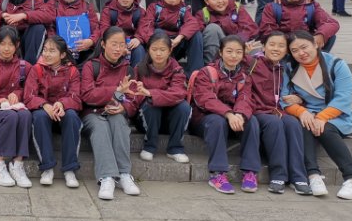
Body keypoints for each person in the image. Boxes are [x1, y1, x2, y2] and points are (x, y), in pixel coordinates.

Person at [282, 30, 352, 200]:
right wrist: (301, 111)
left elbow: (344, 97)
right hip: (308, 113)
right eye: (295, 50)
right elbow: (284, 99)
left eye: (304, 47)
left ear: (315, 44)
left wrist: (321, 117)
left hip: (335, 115)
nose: (301, 53)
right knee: (303, 124)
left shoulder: (336, 64)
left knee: (324, 129)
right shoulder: (290, 68)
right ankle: (313, 176)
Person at [189, 35, 259, 194]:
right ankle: (217, 173)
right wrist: (228, 114)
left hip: (233, 119)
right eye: (229, 51)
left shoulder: (244, 76)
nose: (234, 56)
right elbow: (205, 99)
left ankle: (250, 172)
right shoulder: (207, 72)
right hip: (205, 120)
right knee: (217, 121)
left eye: (238, 52)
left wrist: (240, 114)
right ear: (220, 52)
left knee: (252, 121)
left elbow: (246, 98)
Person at [246, 31, 310, 194]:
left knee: (292, 123)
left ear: (286, 50)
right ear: (263, 46)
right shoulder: (252, 63)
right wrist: (244, 54)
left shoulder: (286, 68)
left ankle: (298, 176)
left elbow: (300, 91)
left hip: (280, 110)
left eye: (281, 46)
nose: (276, 49)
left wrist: (299, 99)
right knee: (274, 123)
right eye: (272, 44)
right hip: (258, 110)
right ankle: (278, 175)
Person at [81, 27, 141, 200]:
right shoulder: (91, 66)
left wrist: (124, 107)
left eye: (121, 45)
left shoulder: (128, 69)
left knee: (119, 123)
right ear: (103, 44)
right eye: (113, 44)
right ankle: (107, 177)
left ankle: (124, 174)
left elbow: (134, 97)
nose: (117, 49)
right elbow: (87, 95)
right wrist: (116, 91)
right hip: (92, 113)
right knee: (100, 127)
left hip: (115, 111)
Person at [24, 35, 83, 188]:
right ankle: (47, 167)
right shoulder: (36, 69)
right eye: (45, 50)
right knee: (39, 116)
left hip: (63, 111)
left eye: (52, 51)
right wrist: (44, 104)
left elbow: (76, 97)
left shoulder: (72, 71)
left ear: (62, 55)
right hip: (44, 111)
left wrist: (62, 104)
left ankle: (70, 169)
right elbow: (29, 96)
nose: (46, 54)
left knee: (72, 116)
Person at [0, 27, 33, 188]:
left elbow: (30, 90)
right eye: (3, 44)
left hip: (14, 111)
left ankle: (17, 163)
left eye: (10, 44)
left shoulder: (24, 67)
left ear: (17, 45)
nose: (6, 48)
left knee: (25, 115)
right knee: (11, 116)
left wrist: (17, 94)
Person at [131, 31, 192, 164]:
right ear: (148, 50)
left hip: (169, 120)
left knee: (183, 107)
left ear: (170, 50)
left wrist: (150, 93)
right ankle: (150, 146)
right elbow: (133, 94)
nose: (158, 53)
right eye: (154, 49)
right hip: (147, 119)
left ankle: (175, 148)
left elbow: (178, 93)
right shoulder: (140, 68)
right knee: (151, 105)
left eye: (163, 50)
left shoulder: (177, 69)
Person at [27, 0, 99, 64]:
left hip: (84, 49)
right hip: (59, 51)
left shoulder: (87, 6)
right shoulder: (52, 4)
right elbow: (50, 28)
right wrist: (59, 45)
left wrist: (91, 41)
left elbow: (96, 28)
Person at [135, 0, 204, 75]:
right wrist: (160, 41)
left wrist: (178, 38)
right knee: (159, 33)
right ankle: (165, 70)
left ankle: (194, 74)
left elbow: (193, 23)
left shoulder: (184, 10)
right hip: (158, 47)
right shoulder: (154, 7)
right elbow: (145, 25)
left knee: (197, 34)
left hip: (176, 45)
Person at [259, 0, 339, 52]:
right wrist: (290, 42)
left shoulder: (312, 6)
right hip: (283, 46)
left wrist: (321, 34)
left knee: (329, 35)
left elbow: (331, 23)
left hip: (305, 44)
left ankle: (319, 58)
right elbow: (266, 30)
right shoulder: (272, 7)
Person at [195, 0, 259, 64]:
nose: (220, 1)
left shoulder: (237, 8)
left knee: (256, 47)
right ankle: (212, 66)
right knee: (212, 28)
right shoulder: (202, 14)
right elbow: (197, 33)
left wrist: (237, 42)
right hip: (218, 50)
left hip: (239, 45)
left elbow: (250, 29)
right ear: (206, 1)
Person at [0, 0, 46, 64]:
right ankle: (3, 63)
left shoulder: (35, 0)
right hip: (9, 36)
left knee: (39, 28)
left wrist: (24, 16)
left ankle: (29, 65)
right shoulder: (2, 2)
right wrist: (3, 15)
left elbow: (47, 15)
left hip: (28, 36)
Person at [98, 0, 146, 67]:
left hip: (131, 42)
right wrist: (119, 45)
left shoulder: (140, 12)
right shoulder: (108, 10)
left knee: (139, 49)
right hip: (113, 41)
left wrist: (138, 39)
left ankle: (136, 74)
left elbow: (144, 28)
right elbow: (104, 30)